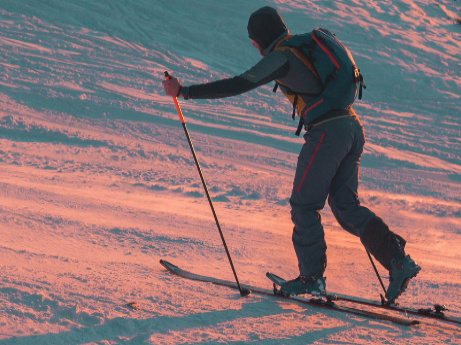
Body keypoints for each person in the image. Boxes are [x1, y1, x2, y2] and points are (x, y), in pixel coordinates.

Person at [162, 6, 420, 304]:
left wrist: (184, 91)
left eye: (253, 39)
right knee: (346, 207)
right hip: (351, 126)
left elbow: (241, 83)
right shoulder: (302, 45)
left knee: (304, 204)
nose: (253, 45)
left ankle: (311, 279)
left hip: (327, 133)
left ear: (258, 39)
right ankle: (398, 261)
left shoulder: (280, 56)